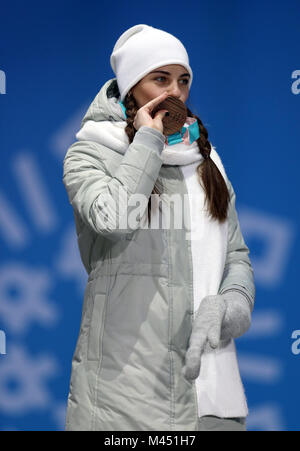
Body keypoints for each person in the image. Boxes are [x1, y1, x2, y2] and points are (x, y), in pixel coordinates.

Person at [62, 24, 255, 432]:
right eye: (160, 79)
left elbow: (235, 257)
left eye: (183, 80)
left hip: (215, 398)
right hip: (126, 405)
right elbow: (113, 219)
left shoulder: (205, 160)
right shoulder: (90, 154)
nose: (176, 93)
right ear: (132, 87)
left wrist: (228, 308)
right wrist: (148, 141)